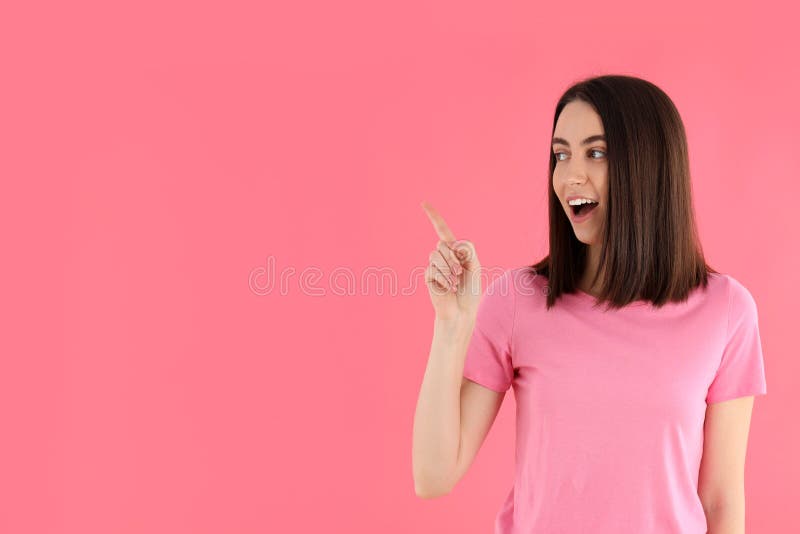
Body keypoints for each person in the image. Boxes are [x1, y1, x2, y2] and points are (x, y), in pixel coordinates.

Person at [411, 74, 767, 533]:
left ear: (650, 166)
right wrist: (451, 326)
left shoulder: (727, 311)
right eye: (561, 155)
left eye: (595, 153)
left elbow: (720, 502)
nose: (569, 176)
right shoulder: (520, 301)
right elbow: (433, 476)